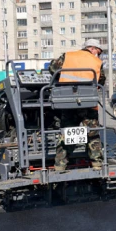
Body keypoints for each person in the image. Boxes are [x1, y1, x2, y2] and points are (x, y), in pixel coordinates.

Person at [49, 38, 105, 171]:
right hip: (88, 103)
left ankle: (60, 165)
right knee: (92, 133)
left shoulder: (68, 56)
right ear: (92, 48)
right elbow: (101, 80)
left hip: (68, 102)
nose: (98, 54)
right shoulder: (96, 62)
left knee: (67, 132)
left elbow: (52, 68)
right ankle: (97, 164)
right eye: (98, 51)